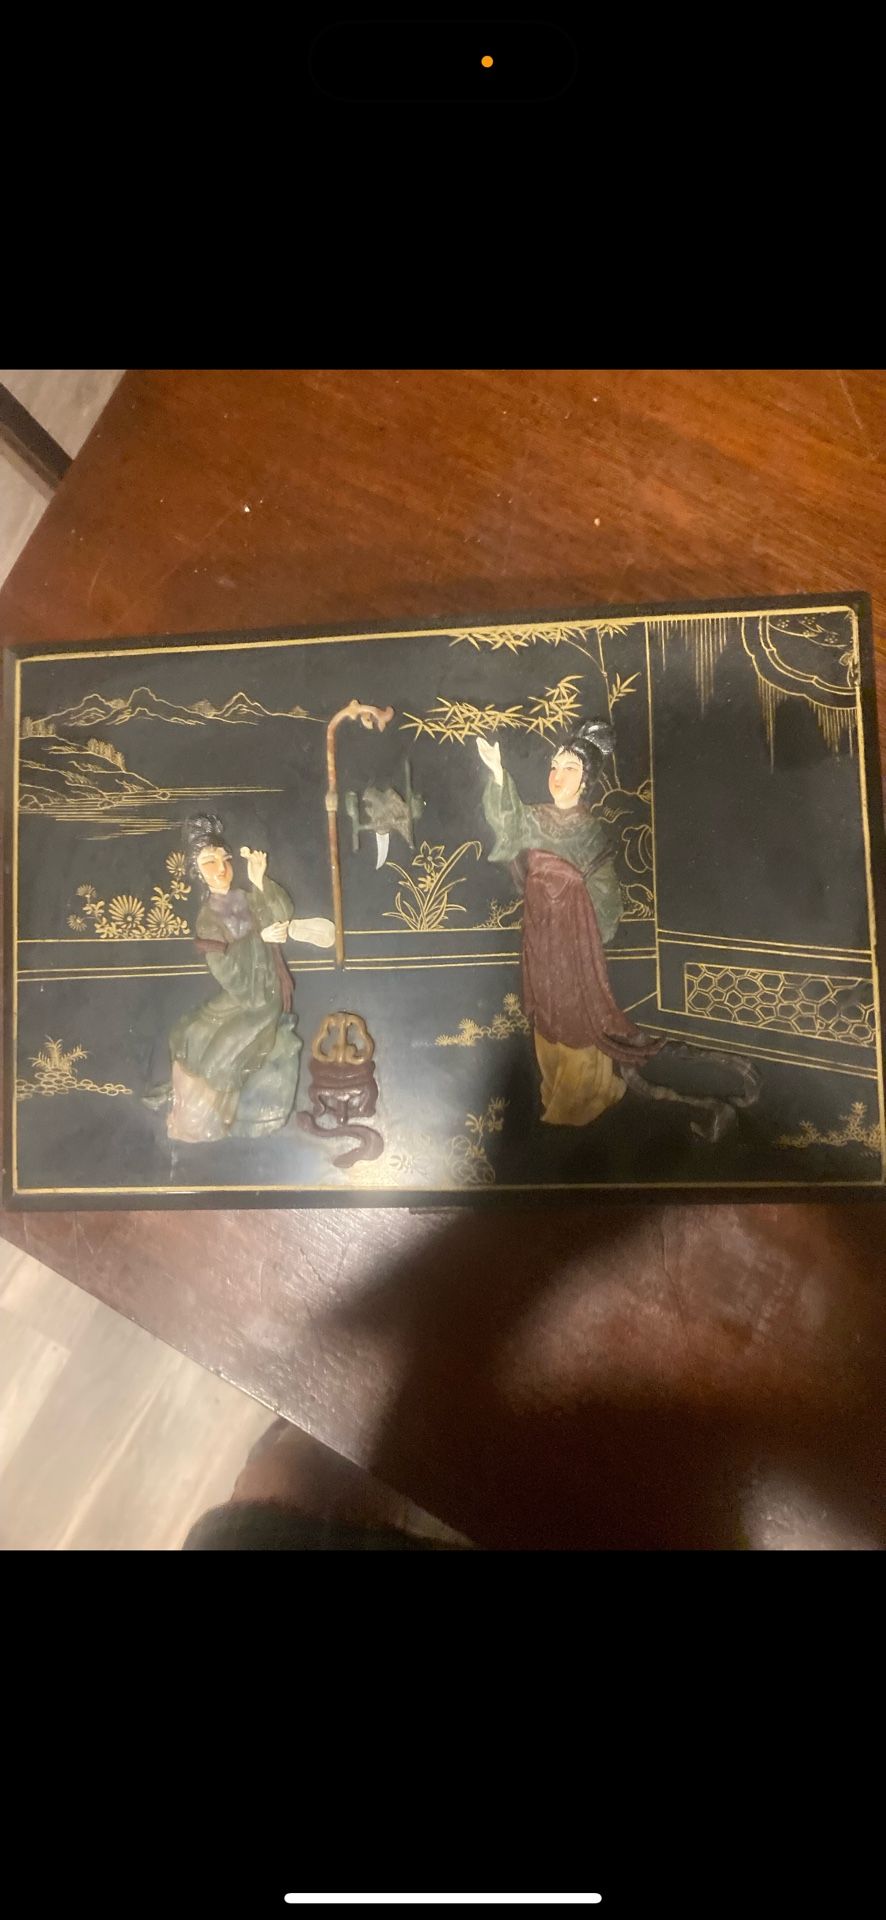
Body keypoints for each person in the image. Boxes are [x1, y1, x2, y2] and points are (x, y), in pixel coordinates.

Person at [477, 723, 663, 1126]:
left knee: (575, 1014)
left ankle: (582, 1099)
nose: (558, 776)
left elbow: (606, 895)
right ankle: (553, 1092)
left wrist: (580, 915)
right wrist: (497, 774)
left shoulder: (590, 832)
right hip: (540, 932)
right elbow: (509, 825)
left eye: (570, 769)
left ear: (585, 781)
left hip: (575, 941)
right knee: (546, 1009)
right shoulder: (536, 818)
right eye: (554, 766)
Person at [146, 813, 333, 1142]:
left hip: (265, 995)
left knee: (222, 1053)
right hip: (243, 993)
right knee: (191, 1032)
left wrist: (260, 881)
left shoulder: (247, 899)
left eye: (225, 859)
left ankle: (206, 1121)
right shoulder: (208, 917)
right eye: (209, 862)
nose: (221, 868)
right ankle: (181, 1098)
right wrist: (261, 938)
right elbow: (224, 968)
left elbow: (280, 913)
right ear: (198, 873)